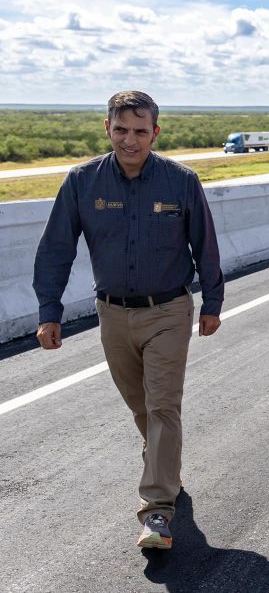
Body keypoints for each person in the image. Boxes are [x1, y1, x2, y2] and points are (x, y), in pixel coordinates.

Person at [33, 90, 224, 550]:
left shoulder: (181, 181)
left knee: (162, 406)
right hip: (113, 315)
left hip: (169, 311)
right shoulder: (82, 182)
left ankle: (157, 510)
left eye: (140, 131)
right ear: (107, 128)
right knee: (140, 406)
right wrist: (49, 311)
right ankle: (165, 462)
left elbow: (206, 244)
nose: (130, 140)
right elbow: (56, 249)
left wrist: (212, 302)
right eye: (121, 129)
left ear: (155, 133)